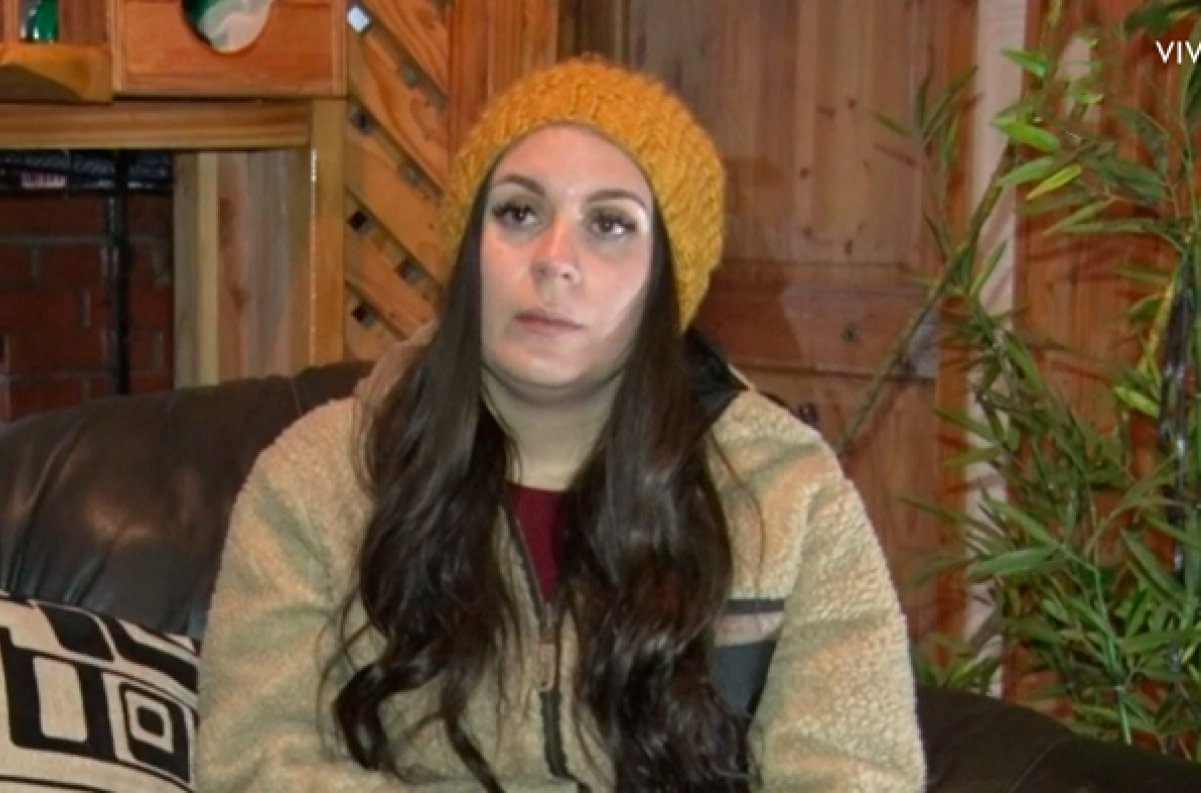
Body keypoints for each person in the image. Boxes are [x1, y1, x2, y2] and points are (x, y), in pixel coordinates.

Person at [196, 56, 926, 793]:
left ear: (668, 279)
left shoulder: (789, 496)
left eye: (610, 224)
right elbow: (249, 764)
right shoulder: (317, 480)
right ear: (470, 250)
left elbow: (857, 775)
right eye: (519, 212)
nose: (554, 260)